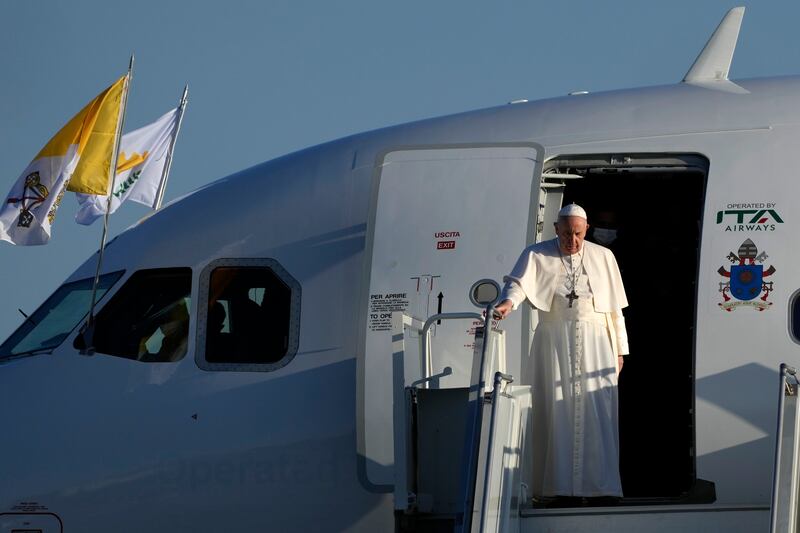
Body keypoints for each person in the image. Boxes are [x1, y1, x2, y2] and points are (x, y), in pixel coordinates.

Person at [494, 203, 629, 501]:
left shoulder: (604, 256)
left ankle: (597, 487)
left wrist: (620, 351)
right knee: (552, 410)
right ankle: (554, 488)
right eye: (566, 233)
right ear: (555, 229)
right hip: (552, 341)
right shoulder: (537, 253)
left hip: (596, 343)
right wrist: (507, 303)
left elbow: (615, 310)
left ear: (586, 229)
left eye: (578, 234)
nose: (573, 241)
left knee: (596, 412)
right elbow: (517, 285)